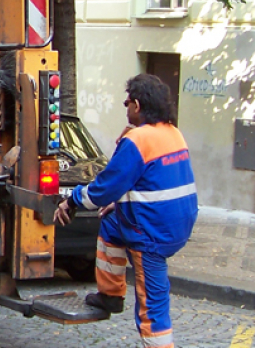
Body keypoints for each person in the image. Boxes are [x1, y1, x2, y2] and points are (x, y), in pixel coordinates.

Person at [54, 74, 197, 348]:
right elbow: (152, 180)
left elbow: (105, 187)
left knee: (152, 303)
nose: (125, 106)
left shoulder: (138, 140)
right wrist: (120, 201)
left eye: (127, 102)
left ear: (138, 105)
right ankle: (110, 294)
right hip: (177, 223)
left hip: (151, 233)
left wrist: (71, 201)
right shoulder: (172, 132)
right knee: (110, 223)